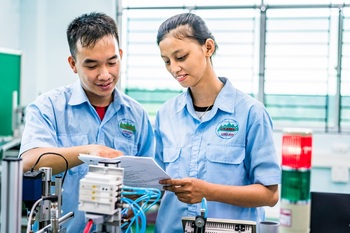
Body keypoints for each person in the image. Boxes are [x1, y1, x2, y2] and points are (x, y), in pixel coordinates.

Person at [19, 12, 155, 232]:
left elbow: (148, 183)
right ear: (73, 64)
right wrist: (89, 152)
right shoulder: (48, 107)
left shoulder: (136, 115)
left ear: (120, 55)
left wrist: (129, 210)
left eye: (112, 62)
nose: (105, 74)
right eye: (92, 66)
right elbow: (29, 161)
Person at [154, 12, 281, 232]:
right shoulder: (165, 115)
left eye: (181, 57)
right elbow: (156, 186)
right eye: (167, 61)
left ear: (208, 48)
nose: (174, 68)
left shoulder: (251, 113)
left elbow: (270, 195)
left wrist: (208, 191)